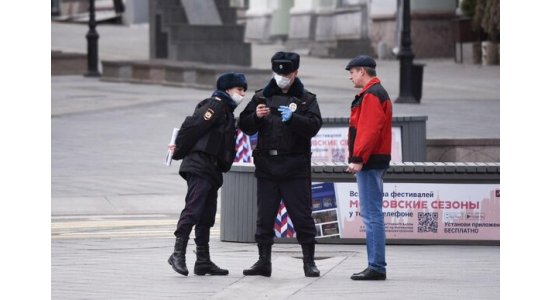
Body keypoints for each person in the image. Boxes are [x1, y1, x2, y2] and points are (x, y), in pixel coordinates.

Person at [238, 51, 323, 277]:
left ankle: (309, 262)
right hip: (267, 165)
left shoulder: (306, 99)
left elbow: (314, 126)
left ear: (295, 73)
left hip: (295, 166)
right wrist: (255, 116)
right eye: (278, 73)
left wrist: (294, 119)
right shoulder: (260, 97)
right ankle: (263, 261)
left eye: (287, 73)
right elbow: (245, 125)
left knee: (302, 216)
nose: (282, 77)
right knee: (265, 216)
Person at [167, 72, 247, 276]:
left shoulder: (227, 111)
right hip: (200, 164)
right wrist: (177, 151)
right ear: (228, 89)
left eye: (244, 91)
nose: (243, 95)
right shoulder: (216, 105)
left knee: (206, 215)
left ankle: (203, 260)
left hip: (212, 168)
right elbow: (193, 127)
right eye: (239, 90)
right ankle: (177, 254)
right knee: (194, 209)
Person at [344, 55, 392, 281]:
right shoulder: (374, 93)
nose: (350, 77)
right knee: (373, 213)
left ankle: (376, 266)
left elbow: (369, 130)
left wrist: (358, 158)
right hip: (374, 160)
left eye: (352, 72)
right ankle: (376, 265)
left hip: (370, 161)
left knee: (371, 214)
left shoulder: (372, 95)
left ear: (362, 71)